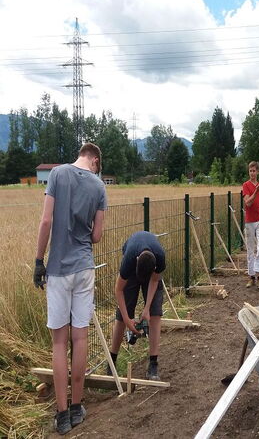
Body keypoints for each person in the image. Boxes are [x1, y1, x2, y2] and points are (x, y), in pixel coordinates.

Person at [33, 143, 107, 435]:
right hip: (84, 268)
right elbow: (97, 236)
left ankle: (62, 415)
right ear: (95, 160)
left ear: (81, 154)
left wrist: (39, 261)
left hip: (59, 270)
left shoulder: (57, 174)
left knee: (59, 343)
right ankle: (77, 407)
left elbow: (46, 221)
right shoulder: (99, 187)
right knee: (80, 338)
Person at [108, 231, 166, 381]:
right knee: (122, 317)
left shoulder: (160, 258)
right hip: (133, 267)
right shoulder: (129, 260)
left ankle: (153, 364)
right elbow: (118, 290)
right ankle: (111, 362)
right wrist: (127, 319)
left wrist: (147, 309)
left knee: (155, 314)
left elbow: (154, 281)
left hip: (151, 270)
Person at [242, 161, 259, 291]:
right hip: (249, 221)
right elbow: (248, 203)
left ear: (258, 172)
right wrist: (256, 191)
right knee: (250, 250)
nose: (252, 173)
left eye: (254, 171)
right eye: (250, 171)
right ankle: (251, 276)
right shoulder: (246, 185)